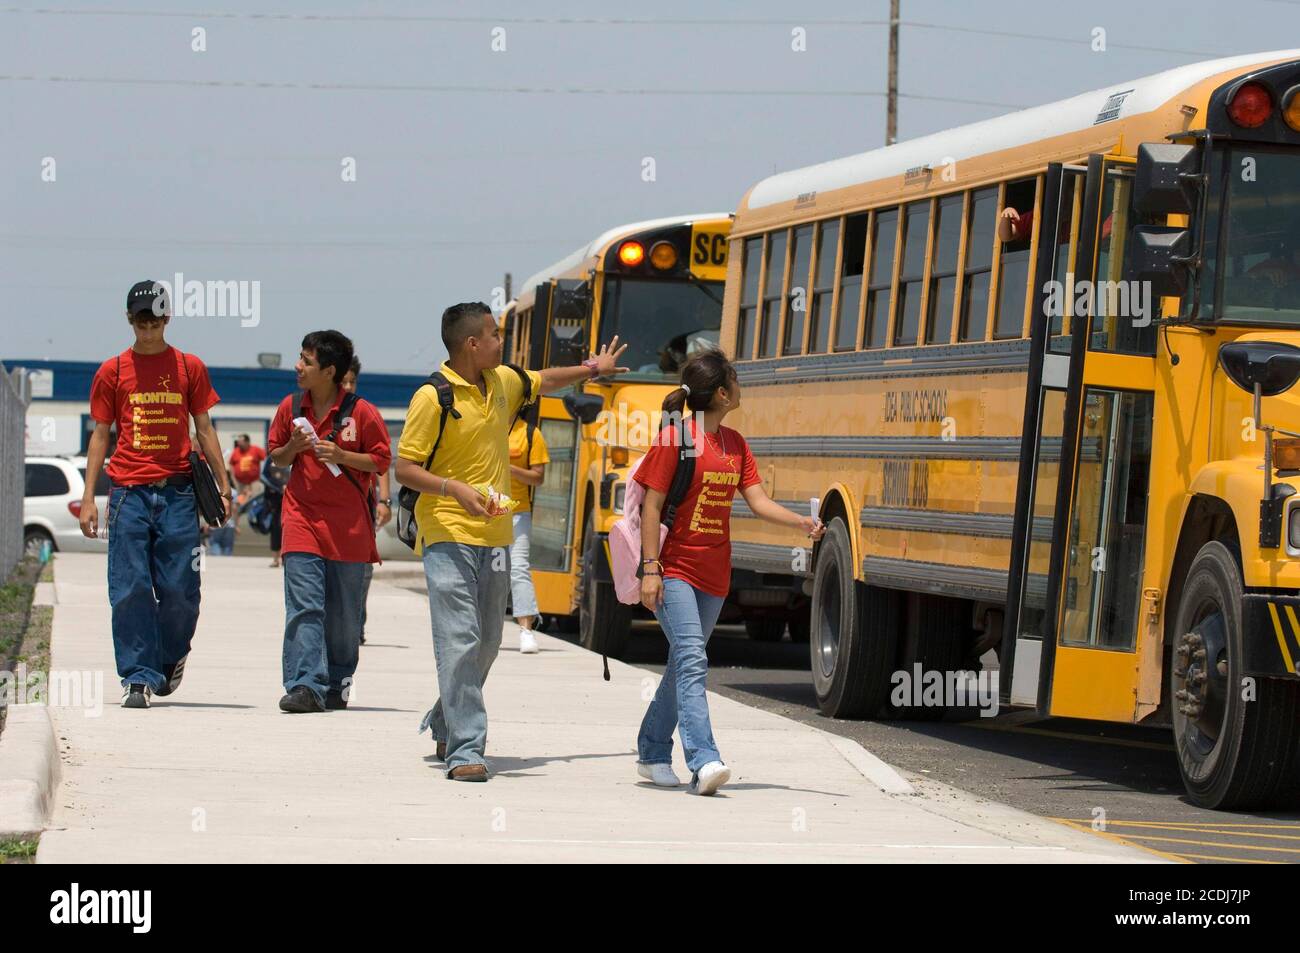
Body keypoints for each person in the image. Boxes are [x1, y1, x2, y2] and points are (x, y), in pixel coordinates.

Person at [395, 301, 629, 782]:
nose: (502, 342)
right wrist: (454, 488)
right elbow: (404, 468)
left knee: (487, 643)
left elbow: (545, 379)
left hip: (497, 532)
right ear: (471, 344)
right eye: (495, 334)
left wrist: (592, 368)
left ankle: (445, 717)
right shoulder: (432, 396)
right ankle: (465, 749)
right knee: (460, 640)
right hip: (446, 533)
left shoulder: (502, 381)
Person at [635, 347, 824, 795]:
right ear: (722, 393)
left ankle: (651, 749)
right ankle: (704, 761)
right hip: (674, 567)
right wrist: (650, 569)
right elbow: (651, 506)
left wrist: (800, 522)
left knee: (683, 662)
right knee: (694, 660)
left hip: (715, 572)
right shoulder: (674, 440)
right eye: (735, 380)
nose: (741, 386)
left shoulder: (735, 443)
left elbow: (757, 501)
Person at [79, 280, 231, 709]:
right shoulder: (112, 370)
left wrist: (224, 482)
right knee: (130, 587)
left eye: (155, 321)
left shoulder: (188, 367)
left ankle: (168, 656)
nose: (148, 329)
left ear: (167, 319)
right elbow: (100, 435)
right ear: (130, 320)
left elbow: (204, 428)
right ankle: (137, 677)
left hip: (179, 493)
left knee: (181, 589)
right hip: (128, 492)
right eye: (141, 321)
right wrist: (91, 496)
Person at [268, 331, 391, 713]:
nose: (298, 366)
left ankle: (338, 680)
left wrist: (342, 454)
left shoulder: (362, 412)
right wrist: (294, 447)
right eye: (300, 357)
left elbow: (382, 461)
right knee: (305, 606)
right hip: (301, 518)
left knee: (342, 617)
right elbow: (277, 458)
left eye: (306, 360)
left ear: (329, 371)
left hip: (349, 528)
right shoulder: (290, 407)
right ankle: (305, 684)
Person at [340, 356, 394, 645]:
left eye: (353, 381)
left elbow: (381, 461)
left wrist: (384, 501)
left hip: (362, 507)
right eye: (344, 381)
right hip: (326, 508)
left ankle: (355, 623)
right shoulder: (319, 412)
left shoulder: (365, 413)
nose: (349, 386)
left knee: (362, 571)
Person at [506, 408, 549, 653]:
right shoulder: (483, 425)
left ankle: (526, 630)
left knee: (518, 567)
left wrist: (509, 468)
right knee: (484, 572)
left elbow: (538, 477)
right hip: (482, 511)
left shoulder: (531, 434)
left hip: (517, 512)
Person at [261, 456, 291, 568]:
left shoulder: (292, 454)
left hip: (290, 497)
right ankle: (275, 559)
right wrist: (279, 487)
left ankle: (285, 558)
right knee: (276, 528)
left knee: (287, 527)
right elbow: (264, 477)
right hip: (274, 499)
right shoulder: (270, 459)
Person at [227, 434, 266, 511]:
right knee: (239, 502)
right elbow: (231, 464)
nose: (239, 443)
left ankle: (254, 518)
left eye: (241, 441)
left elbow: (266, 459)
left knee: (255, 500)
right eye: (238, 442)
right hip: (240, 483)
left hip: (254, 482)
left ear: (247, 442)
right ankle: (238, 520)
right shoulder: (236, 451)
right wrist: (233, 477)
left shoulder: (255, 450)